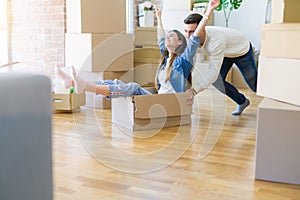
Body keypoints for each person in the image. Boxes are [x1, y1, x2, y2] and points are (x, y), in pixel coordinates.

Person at [56, 0, 220, 101]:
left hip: (170, 103)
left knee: (133, 87)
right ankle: (75, 83)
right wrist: (159, 18)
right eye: (167, 37)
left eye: (172, 37)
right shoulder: (165, 59)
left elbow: (194, 39)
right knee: (118, 84)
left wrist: (208, 11)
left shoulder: (183, 61)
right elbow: (160, 38)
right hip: (160, 100)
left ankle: (83, 85)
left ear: (180, 43)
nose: (167, 39)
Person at [183, 13, 258, 115]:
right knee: (218, 82)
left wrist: (194, 91)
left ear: (202, 29)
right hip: (224, 52)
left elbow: (212, 74)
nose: (188, 36)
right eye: (186, 31)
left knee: (254, 85)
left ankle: (273, 102)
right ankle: (242, 101)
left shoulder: (215, 41)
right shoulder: (191, 40)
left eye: (192, 32)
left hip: (241, 49)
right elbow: (190, 64)